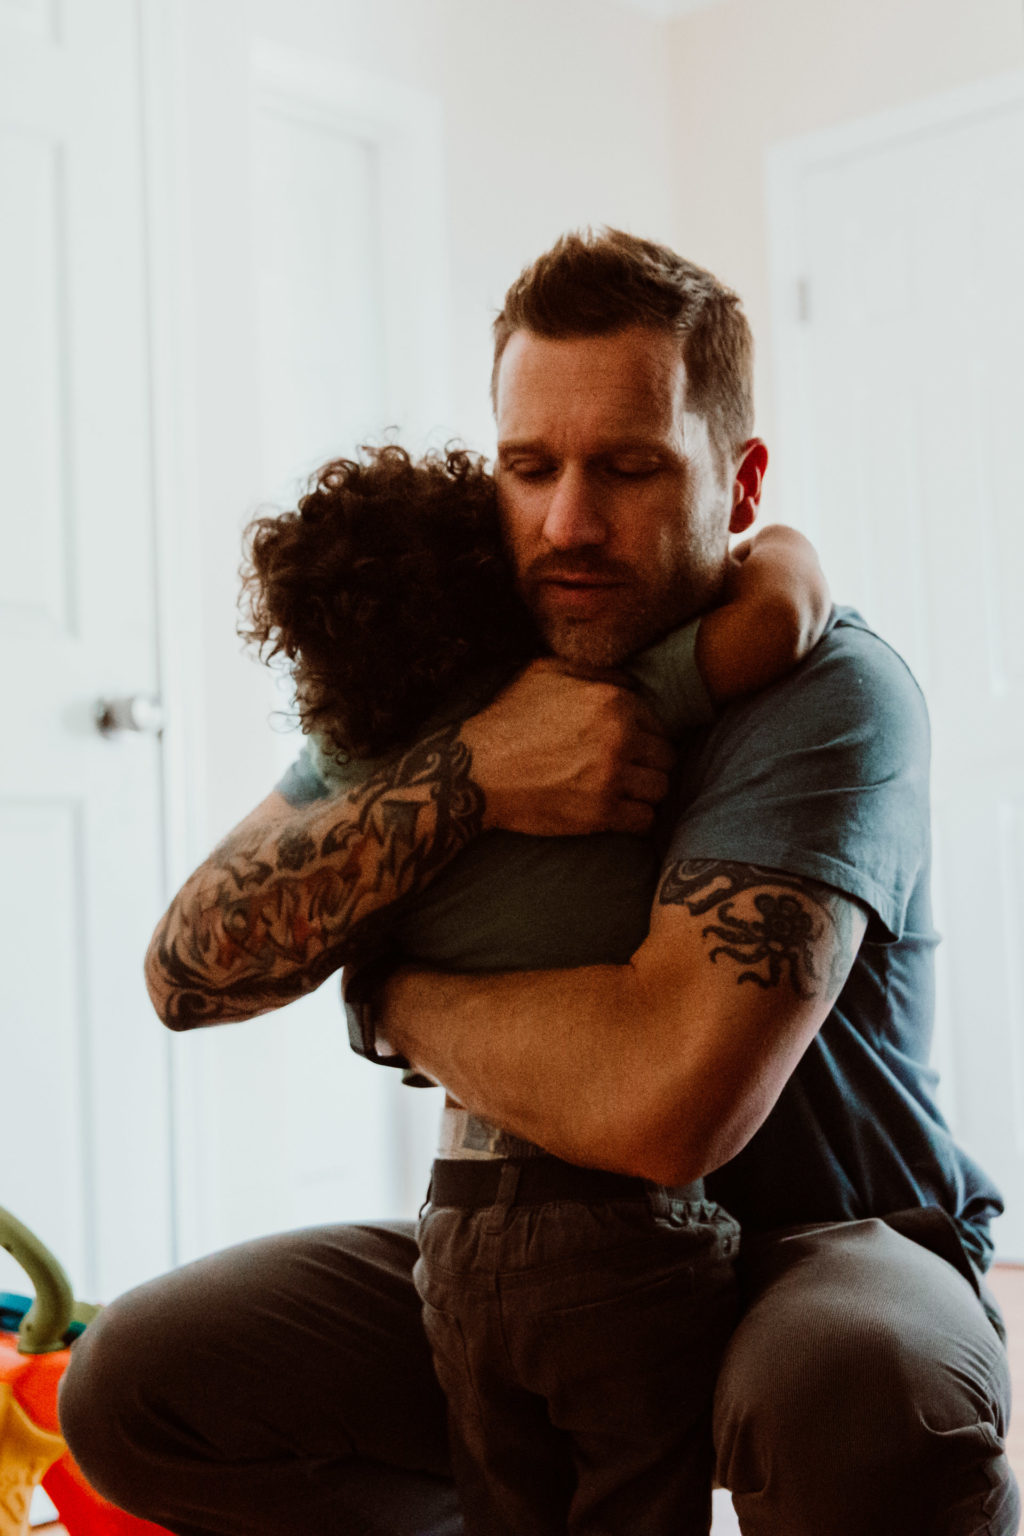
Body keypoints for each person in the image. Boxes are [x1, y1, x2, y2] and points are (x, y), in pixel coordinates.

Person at [58, 229, 1017, 1536]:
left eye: (628, 468)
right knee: (141, 1380)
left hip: (831, 1240)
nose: (568, 523)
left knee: (850, 1397)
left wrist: (386, 993)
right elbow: (187, 967)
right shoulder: (454, 670)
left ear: (739, 491)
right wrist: (475, 776)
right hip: (538, 1242)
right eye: (530, 468)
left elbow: (663, 1111)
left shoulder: (829, 690)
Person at [235, 440, 830, 1533]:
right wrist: (779, 539)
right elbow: (776, 621)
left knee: (503, 1503)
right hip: (615, 1228)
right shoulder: (580, 703)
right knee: (636, 1497)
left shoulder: (369, 786)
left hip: (458, 1229)